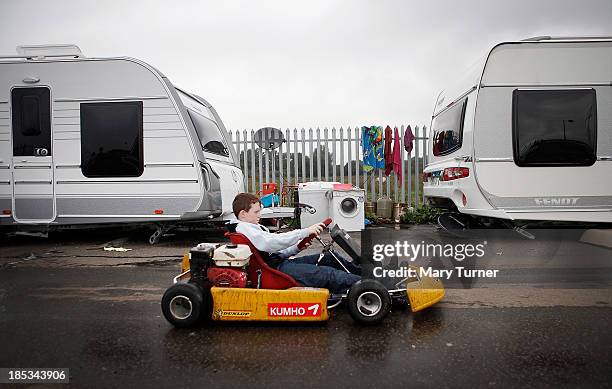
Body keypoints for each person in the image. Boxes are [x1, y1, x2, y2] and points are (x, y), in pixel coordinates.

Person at [227, 193, 361, 293]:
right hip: (275, 271)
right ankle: (369, 285)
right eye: (256, 212)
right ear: (243, 214)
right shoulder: (244, 228)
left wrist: (296, 248)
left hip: (278, 264)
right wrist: (304, 232)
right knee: (327, 274)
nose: (259, 215)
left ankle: (362, 274)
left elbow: (273, 250)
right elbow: (271, 243)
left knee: (328, 258)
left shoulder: (251, 228)